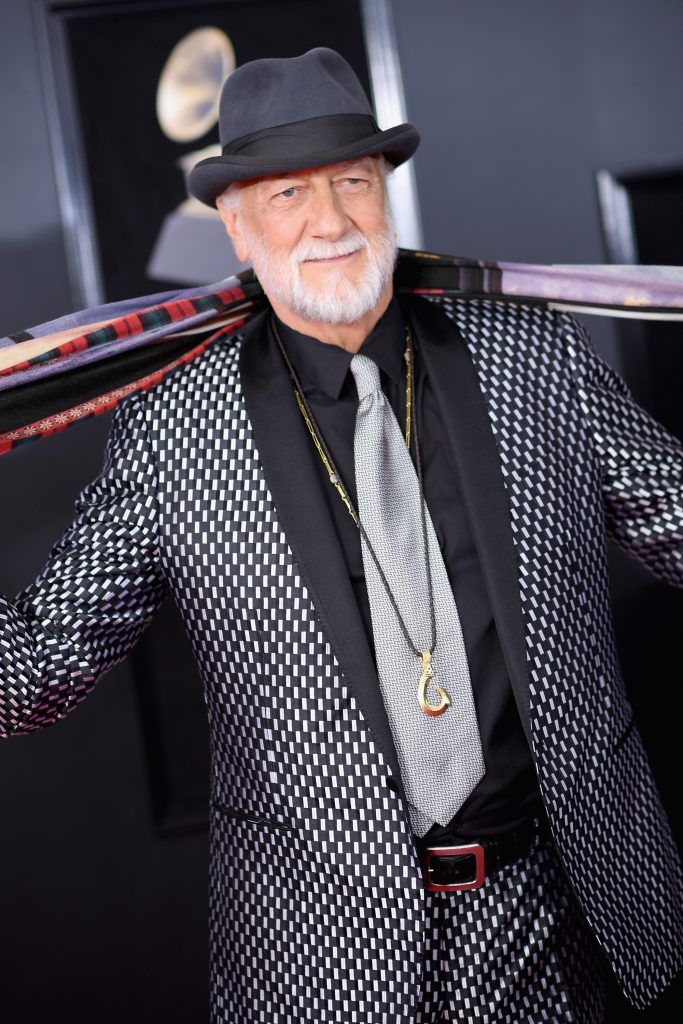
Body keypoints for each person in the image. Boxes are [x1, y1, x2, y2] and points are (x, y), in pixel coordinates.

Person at [1, 46, 682, 1024]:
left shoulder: (530, 357)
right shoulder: (175, 430)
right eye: (285, 194)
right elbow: (31, 675)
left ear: (386, 191)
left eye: (351, 181)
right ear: (233, 221)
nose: (328, 221)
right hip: (319, 962)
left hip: (569, 909)